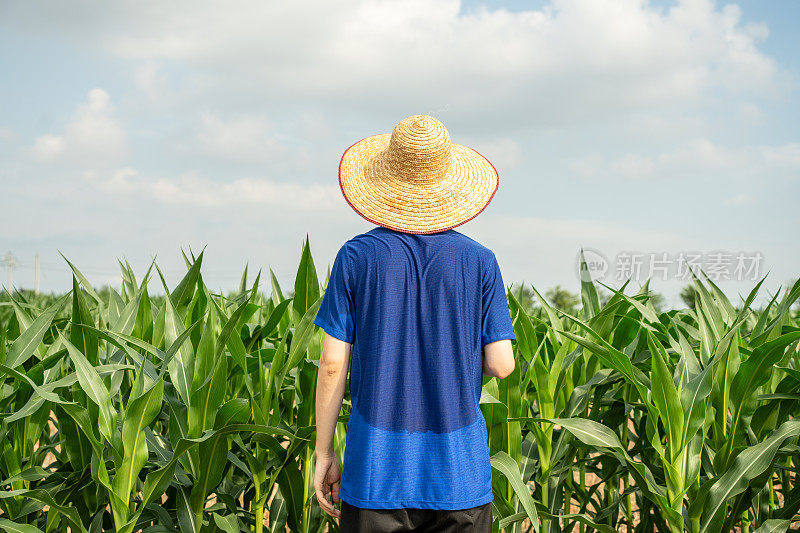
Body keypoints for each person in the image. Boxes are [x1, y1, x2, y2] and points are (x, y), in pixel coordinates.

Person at [313, 114, 517, 533]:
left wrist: (325, 453)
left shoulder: (356, 257)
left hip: (375, 473)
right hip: (459, 477)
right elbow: (501, 364)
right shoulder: (481, 261)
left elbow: (333, 364)